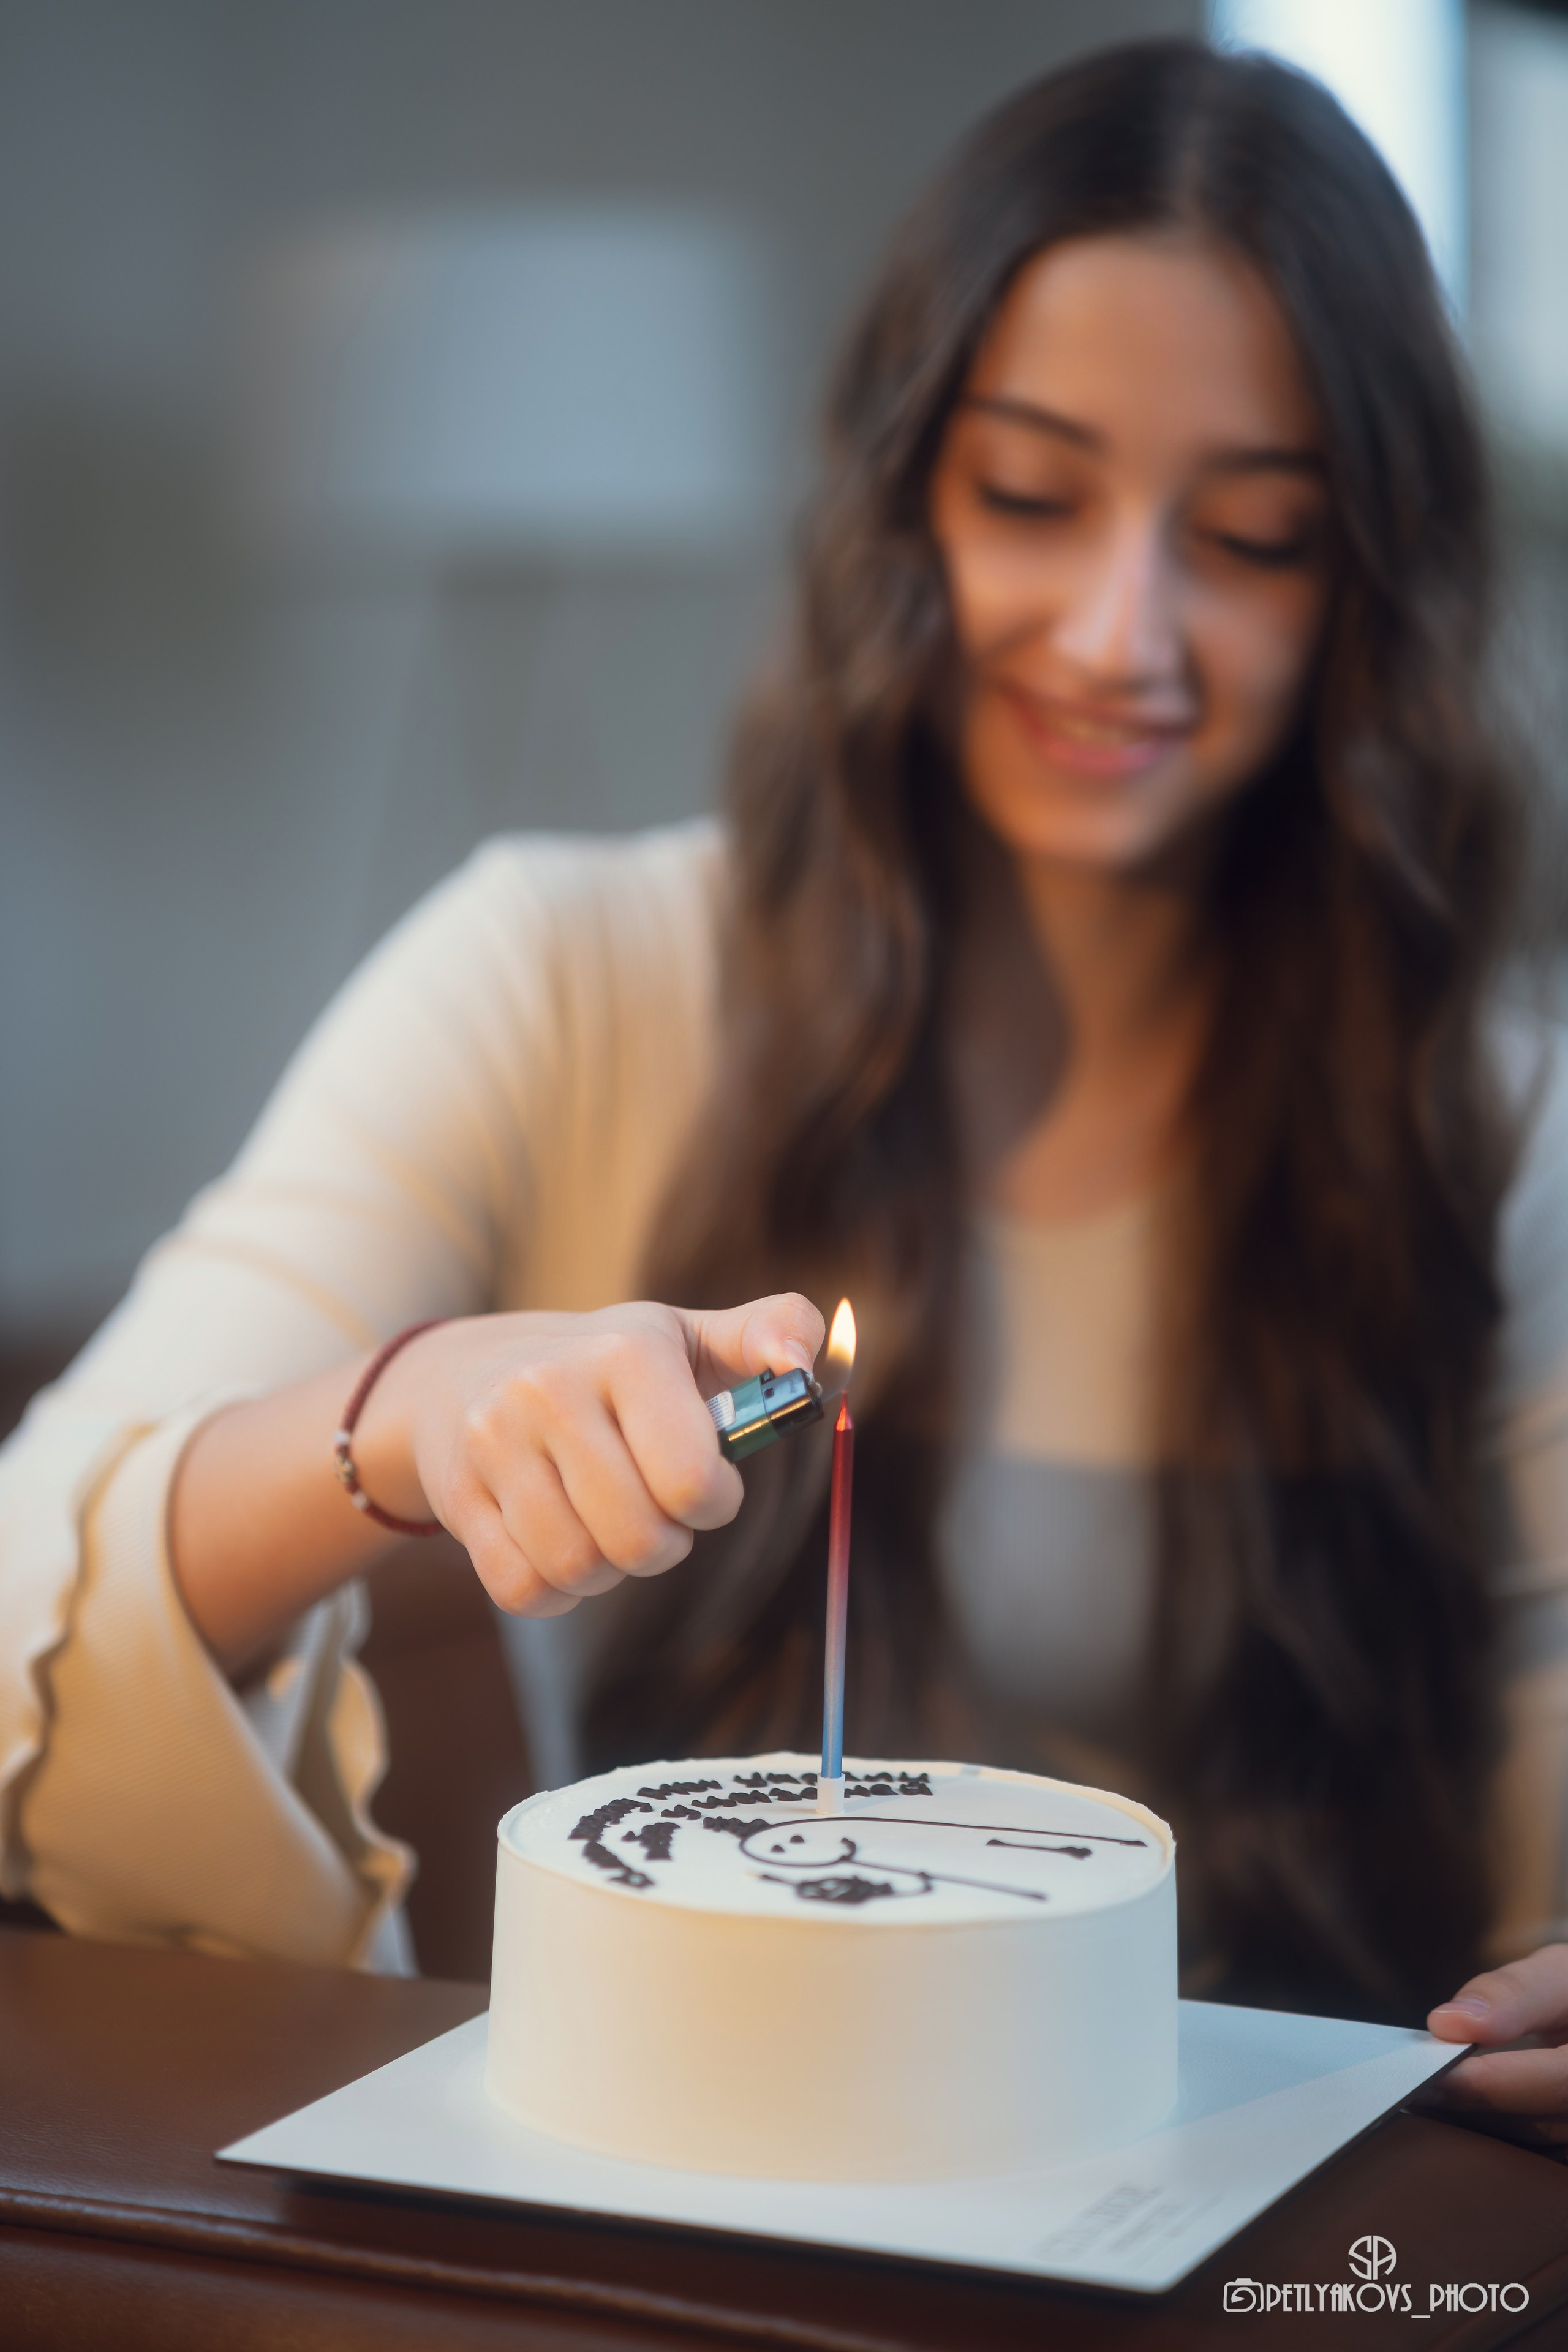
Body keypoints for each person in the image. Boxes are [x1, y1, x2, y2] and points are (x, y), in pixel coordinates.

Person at [2, 37, 1567, 2144]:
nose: (1124, 631)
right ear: (906, 490)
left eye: (1259, 539)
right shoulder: (566, 979)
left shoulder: (1501, 1122)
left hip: (1286, 2235)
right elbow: (38, 1599)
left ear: (1370, 584)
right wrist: (400, 1422)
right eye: (1032, 495)